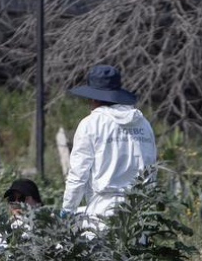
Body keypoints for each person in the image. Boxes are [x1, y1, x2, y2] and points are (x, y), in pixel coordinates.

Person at [61, 64, 158, 224]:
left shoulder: (91, 124)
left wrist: (68, 209)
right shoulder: (143, 124)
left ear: (93, 97)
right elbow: (152, 168)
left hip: (102, 213)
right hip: (138, 212)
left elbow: (78, 174)